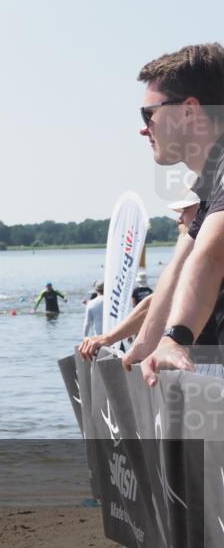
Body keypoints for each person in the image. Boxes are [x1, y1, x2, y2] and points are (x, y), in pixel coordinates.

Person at [118, 43, 224, 384]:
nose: (143, 128)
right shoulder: (210, 179)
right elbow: (182, 266)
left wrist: (174, 339)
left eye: (148, 114)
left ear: (189, 110)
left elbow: (212, 257)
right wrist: (146, 346)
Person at [79, 194, 203, 360]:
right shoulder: (201, 248)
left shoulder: (203, 252)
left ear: (205, 208)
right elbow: (157, 301)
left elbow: (156, 303)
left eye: (185, 209)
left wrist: (109, 338)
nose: (179, 218)